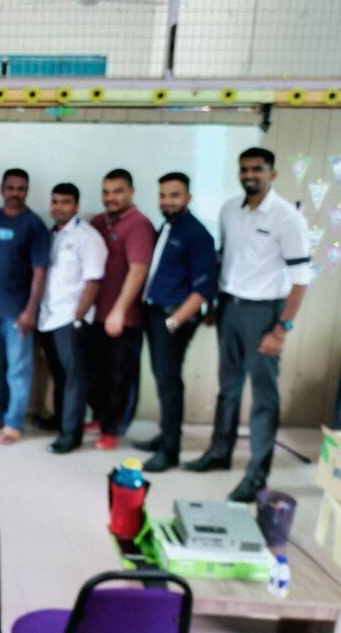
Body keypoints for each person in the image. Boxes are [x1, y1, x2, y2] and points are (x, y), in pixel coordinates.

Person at [183, 148, 311, 502]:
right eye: (244, 169)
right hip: (230, 307)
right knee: (228, 387)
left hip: (265, 313)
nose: (249, 174)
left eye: (257, 169)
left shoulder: (287, 218)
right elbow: (226, 259)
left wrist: (281, 329)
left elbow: (302, 280)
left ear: (273, 173)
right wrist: (212, 305)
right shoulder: (229, 210)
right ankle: (219, 453)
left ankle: (257, 476)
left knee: (263, 399)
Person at [134, 173, 217, 472]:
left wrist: (175, 321)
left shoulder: (196, 234)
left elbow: (204, 288)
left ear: (188, 198)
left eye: (174, 195)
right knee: (163, 378)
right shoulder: (168, 227)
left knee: (169, 382)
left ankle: (170, 450)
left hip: (173, 317)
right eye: (163, 195)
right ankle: (165, 435)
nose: (167, 201)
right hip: (156, 312)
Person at [0, 168, 49, 445]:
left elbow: (40, 272)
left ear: (27, 191)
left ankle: (13, 423)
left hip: (18, 314)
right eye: (10, 188)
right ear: (1, 189)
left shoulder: (34, 225)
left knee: (17, 370)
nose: (15, 194)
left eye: (21, 189)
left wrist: (30, 311)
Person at [87, 169, 155, 450]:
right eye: (106, 192)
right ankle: (100, 418)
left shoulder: (139, 225)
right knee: (97, 373)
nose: (110, 197)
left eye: (117, 191)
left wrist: (118, 311)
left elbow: (138, 271)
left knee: (120, 377)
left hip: (123, 318)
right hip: (96, 314)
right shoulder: (98, 222)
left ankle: (113, 429)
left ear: (131, 192)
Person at [38, 183, 108, 454]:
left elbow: (93, 281)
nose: (58, 207)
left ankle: (71, 434)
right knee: (59, 374)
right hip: (49, 316)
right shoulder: (50, 234)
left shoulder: (87, 236)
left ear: (76, 206)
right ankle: (59, 420)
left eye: (65, 202)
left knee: (74, 379)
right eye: (55, 201)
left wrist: (78, 318)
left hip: (70, 319)